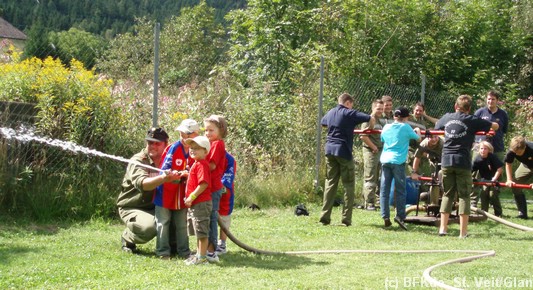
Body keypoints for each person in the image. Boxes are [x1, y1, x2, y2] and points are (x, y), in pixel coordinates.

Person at [435, 95, 498, 238]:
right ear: (469, 109)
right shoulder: (472, 120)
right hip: (462, 161)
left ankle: (443, 229)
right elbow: (495, 126)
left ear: (455, 106)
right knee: (464, 196)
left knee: (447, 194)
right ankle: (463, 233)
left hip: (446, 161)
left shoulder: (447, 117)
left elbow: (437, 126)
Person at [117, 127, 181, 253]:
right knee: (150, 227)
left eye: (157, 143)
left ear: (166, 144)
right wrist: (164, 178)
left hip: (158, 205)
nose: (153, 146)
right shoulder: (139, 161)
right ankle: (128, 238)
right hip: (134, 206)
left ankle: (172, 244)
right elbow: (143, 184)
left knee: (184, 219)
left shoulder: (170, 158)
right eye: (150, 142)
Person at [319, 93, 374, 226]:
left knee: (330, 183)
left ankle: (324, 218)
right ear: (348, 103)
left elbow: (323, 123)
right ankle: (346, 219)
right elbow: (370, 117)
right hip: (343, 151)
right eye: (351, 105)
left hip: (329, 151)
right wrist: (369, 128)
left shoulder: (331, 112)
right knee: (348, 185)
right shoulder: (349, 113)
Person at [153, 119, 199, 260]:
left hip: (182, 195)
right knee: (163, 222)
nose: (184, 139)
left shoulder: (197, 150)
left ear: (196, 134)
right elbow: (164, 170)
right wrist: (173, 173)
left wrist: (188, 173)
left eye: (187, 135)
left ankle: (184, 252)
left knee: (182, 224)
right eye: (181, 135)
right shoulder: (174, 148)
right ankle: (163, 252)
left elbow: (197, 169)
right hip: (165, 193)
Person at [379, 107, 421, 230]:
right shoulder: (406, 127)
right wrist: (417, 130)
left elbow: (382, 139)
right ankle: (400, 216)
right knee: (401, 190)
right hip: (398, 161)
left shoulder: (386, 127)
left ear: (395, 117)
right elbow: (418, 138)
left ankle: (385, 216)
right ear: (406, 117)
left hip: (385, 159)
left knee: (384, 190)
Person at [183, 136, 213, 265]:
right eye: (191, 148)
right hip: (196, 204)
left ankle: (202, 258)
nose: (192, 150)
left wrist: (192, 197)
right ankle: (198, 255)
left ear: (205, 151)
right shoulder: (196, 164)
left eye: (197, 148)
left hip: (201, 203)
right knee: (197, 230)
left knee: (202, 232)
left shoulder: (201, 165)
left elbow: (204, 184)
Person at [203, 115, 228, 263]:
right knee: (206, 218)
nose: (208, 133)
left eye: (211, 130)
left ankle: (211, 251)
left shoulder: (218, 144)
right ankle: (206, 248)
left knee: (211, 218)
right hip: (208, 186)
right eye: (206, 130)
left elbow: (212, 165)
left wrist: (197, 164)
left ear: (221, 130)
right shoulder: (209, 143)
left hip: (213, 187)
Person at [360, 99, 385, 211]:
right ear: (373, 108)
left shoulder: (380, 121)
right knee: (370, 176)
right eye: (378, 108)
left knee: (377, 176)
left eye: (381, 108)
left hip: (380, 151)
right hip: (371, 151)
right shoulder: (368, 120)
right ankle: (369, 203)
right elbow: (363, 136)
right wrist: (373, 147)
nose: (380, 110)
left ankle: (374, 200)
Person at [473, 90, 509, 160]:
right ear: (486, 100)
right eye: (489, 99)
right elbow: (473, 128)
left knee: (498, 169)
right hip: (480, 147)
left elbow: (504, 130)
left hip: (497, 148)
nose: (490, 101)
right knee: (475, 169)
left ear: (497, 100)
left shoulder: (503, 114)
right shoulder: (479, 113)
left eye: (493, 99)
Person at [472, 141, 504, 217]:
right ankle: (484, 213)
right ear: (479, 150)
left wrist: (494, 179)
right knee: (484, 194)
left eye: (485, 149)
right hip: (485, 180)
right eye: (481, 148)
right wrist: (470, 178)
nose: (483, 150)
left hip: (495, 178)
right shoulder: (477, 159)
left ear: (489, 150)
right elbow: (471, 170)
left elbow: (500, 169)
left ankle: (498, 213)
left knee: (492, 195)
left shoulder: (492, 157)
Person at [410, 133, 444, 206]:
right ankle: (433, 201)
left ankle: (445, 201)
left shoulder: (443, 143)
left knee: (444, 181)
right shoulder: (423, 144)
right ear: (427, 138)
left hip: (446, 161)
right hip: (433, 161)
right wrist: (414, 172)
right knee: (434, 180)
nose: (434, 139)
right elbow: (417, 157)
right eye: (431, 137)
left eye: (435, 137)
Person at [504, 136, 533, 219]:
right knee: (515, 185)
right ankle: (522, 214)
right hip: (526, 165)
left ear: (525, 147)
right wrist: (509, 180)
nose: (517, 154)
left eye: (519, 152)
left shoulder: (531, 148)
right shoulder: (512, 151)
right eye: (515, 152)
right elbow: (508, 164)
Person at [216, 152, 236, 255]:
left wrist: (221, 185)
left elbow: (229, 175)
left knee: (224, 217)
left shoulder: (229, 159)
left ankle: (222, 244)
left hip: (225, 193)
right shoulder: (206, 155)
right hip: (209, 191)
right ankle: (211, 243)